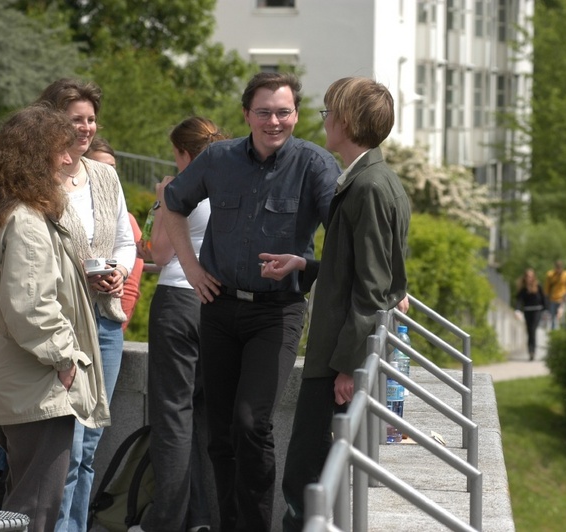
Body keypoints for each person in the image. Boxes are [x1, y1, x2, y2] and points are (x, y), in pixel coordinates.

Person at [161, 72, 342, 531]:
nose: (274, 121)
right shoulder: (218, 158)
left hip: (277, 313)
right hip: (219, 308)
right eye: (264, 112)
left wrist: (302, 266)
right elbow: (173, 203)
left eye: (283, 112)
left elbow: (346, 241)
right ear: (246, 115)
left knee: (251, 423)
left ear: (296, 115)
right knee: (220, 435)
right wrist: (192, 269)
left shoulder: (317, 166)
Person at [255, 77, 411, 531]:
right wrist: (304, 264)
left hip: (337, 362)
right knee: (312, 477)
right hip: (336, 357)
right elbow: (358, 270)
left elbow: (374, 286)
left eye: (329, 112)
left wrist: (346, 365)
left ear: (347, 120)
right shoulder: (370, 179)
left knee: (308, 478)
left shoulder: (370, 186)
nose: (325, 121)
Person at [0, 104, 110, 532]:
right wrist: (66, 359)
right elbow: (31, 306)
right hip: (35, 385)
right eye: (61, 150)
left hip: (9, 379)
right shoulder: (25, 220)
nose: (70, 158)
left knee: (19, 503)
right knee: (36, 510)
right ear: (35, 156)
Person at [34, 79, 137, 532]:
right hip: (62, 322)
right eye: (76, 119)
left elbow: (124, 240)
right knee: (67, 449)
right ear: (53, 121)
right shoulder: (35, 179)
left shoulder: (104, 175)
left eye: (91, 118)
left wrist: (116, 269)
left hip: (106, 321)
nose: (86, 127)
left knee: (91, 444)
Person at [141, 117, 228, 532]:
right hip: (217, 305)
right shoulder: (232, 182)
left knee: (172, 415)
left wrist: (161, 199)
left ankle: (166, 521)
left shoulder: (180, 188)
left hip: (177, 298)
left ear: (183, 153)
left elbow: (158, 253)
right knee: (202, 414)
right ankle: (199, 518)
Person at [84, 136, 144, 331]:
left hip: (108, 315)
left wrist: (118, 273)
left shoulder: (125, 216)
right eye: (100, 166)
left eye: (112, 167)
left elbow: (131, 285)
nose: (107, 174)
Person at [515, 268, 547, 361]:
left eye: (530, 276)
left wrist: (546, 310)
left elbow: (543, 298)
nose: (529, 278)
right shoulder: (523, 289)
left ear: (533, 277)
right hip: (527, 311)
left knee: (533, 329)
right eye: (527, 276)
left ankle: (533, 351)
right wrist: (517, 310)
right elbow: (519, 300)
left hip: (537, 310)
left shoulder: (538, 286)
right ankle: (530, 351)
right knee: (529, 331)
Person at [543, 260, 566, 330]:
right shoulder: (550, 275)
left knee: (563, 318)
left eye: (560, 267)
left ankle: (563, 332)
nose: (559, 269)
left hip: (563, 299)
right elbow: (547, 288)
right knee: (553, 318)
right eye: (557, 267)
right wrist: (545, 299)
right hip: (553, 299)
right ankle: (554, 333)